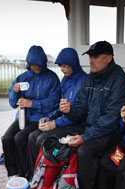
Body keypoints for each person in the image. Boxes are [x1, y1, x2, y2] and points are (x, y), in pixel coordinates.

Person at [60, 41, 125, 189]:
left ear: (109, 58)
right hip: (91, 127)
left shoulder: (120, 80)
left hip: (111, 131)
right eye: (90, 56)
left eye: (96, 56)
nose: (91, 60)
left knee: (85, 151)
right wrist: (69, 110)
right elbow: (81, 110)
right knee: (55, 138)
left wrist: (85, 136)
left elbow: (111, 119)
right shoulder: (90, 78)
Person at [26, 47, 87, 180]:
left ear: (74, 64)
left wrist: (55, 124)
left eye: (66, 66)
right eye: (61, 66)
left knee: (42, 139)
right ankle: (33, 176)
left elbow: (80, 113)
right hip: (64, 121)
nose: (63, 69)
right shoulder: (65, 79)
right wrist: (49, 117)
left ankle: (46, 177)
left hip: (77, 124)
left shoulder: (84, 81)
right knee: (32, 136)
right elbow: (61, 107)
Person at [1, 45, 60, 178]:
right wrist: (15, 93)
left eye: (39, 65)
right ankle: (13, 173)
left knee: (20, 138)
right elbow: (12, 103)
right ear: (29, 63)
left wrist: (32, 103)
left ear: (44, 63)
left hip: (39, 118)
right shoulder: (22, 78)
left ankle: (25, 174)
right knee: (7, 138)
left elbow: (54, 102)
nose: (37, 67)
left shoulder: (52, 78)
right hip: (23, 117)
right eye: (34, 65)